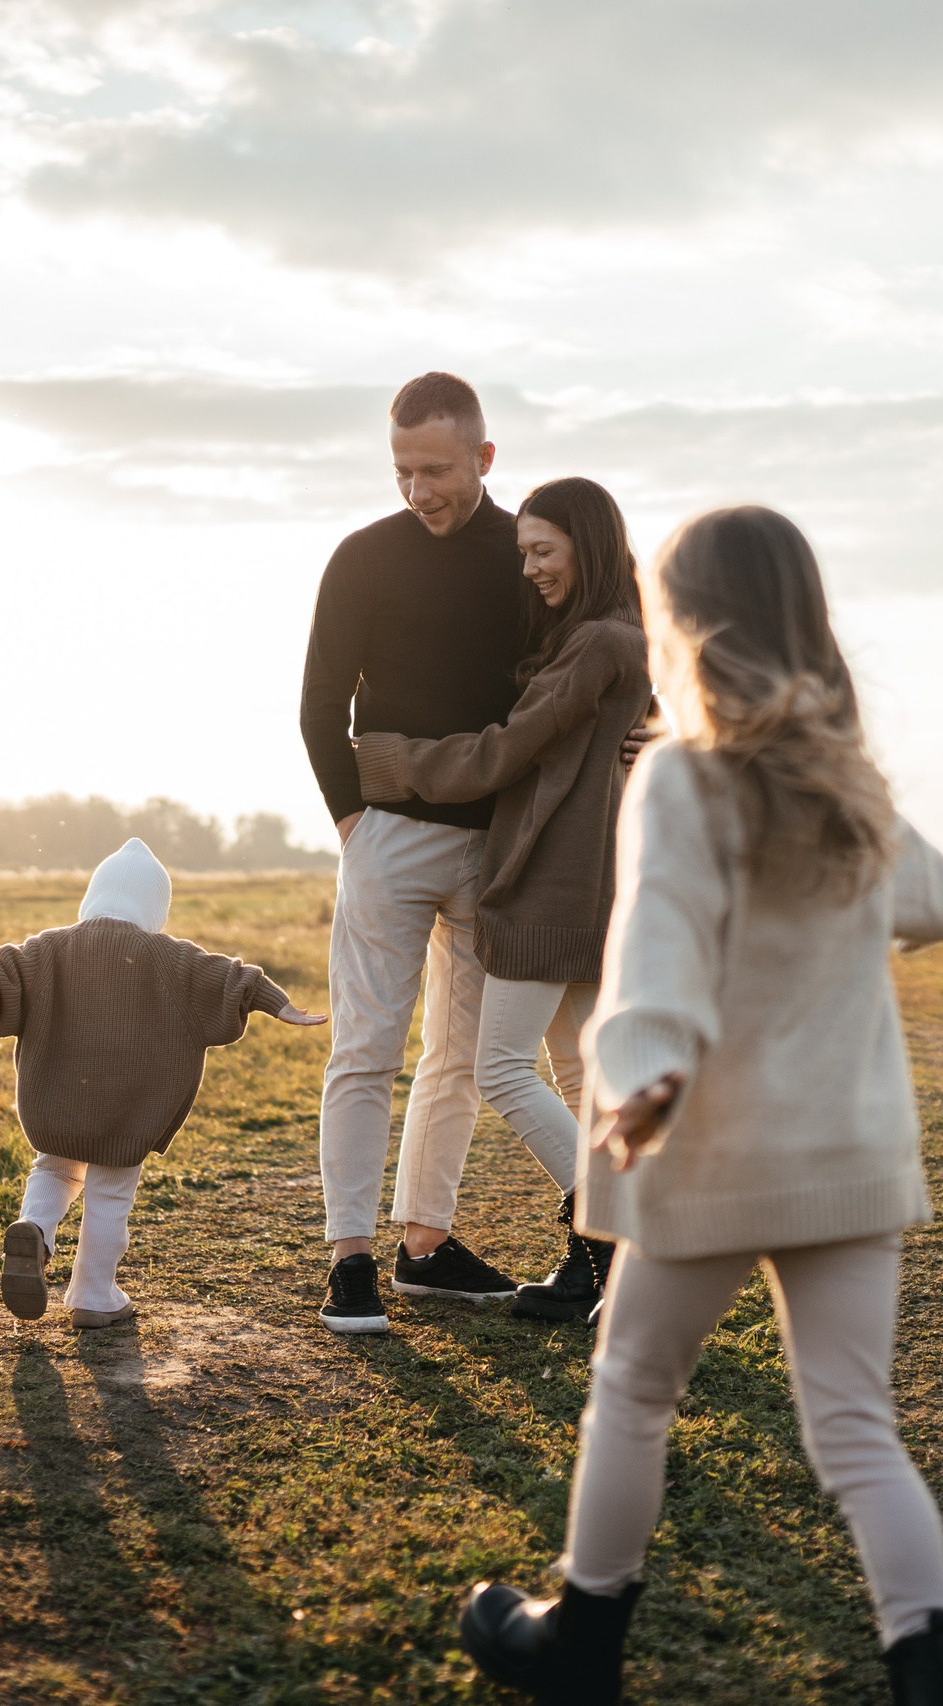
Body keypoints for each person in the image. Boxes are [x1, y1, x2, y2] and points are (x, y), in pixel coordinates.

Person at [455, 507, 943, 1706]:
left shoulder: (683, 781)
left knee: (635, 1383)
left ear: (683, 631)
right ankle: (929, 1677)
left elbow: (656, 953)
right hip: (850, 1154)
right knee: (856, 1427)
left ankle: (581, 1641)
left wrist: (646, 1072)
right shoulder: (849, 789)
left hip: (709, 1150)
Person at [350, 476, 651, 1322]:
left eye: (543, 552)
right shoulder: (622, 641)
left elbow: (503, 754)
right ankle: (594, 1270)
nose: (529, 569)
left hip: (553, 882)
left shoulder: (599, 644)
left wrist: (388, 764)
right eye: (523, 553)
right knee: (578, 1070)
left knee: (500, 1067)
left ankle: (615, 1226)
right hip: (596, 881)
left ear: (586, 549)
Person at [296, 371, 538, 1334]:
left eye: (436, 469)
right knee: (365, 1048)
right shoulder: (361, 557)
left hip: (495, 849)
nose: (419, 489)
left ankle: (426, 1246)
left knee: (463, 1056)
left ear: (483, 457)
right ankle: (350, 1257)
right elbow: (320, 704)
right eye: (403, 470)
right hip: (387, 838)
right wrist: (356, 826)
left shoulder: (528, 556)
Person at [0, 838, 326, 1329]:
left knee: (55, 1169)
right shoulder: (171, 956)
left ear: (92, 897)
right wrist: (280, 1004)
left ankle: (35, 1230)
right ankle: (94, 1294)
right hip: (127, 1112)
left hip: (55, 1105)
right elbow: (233, 978)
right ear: (153, 907)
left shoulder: (48, 949)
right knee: (109, 1192)